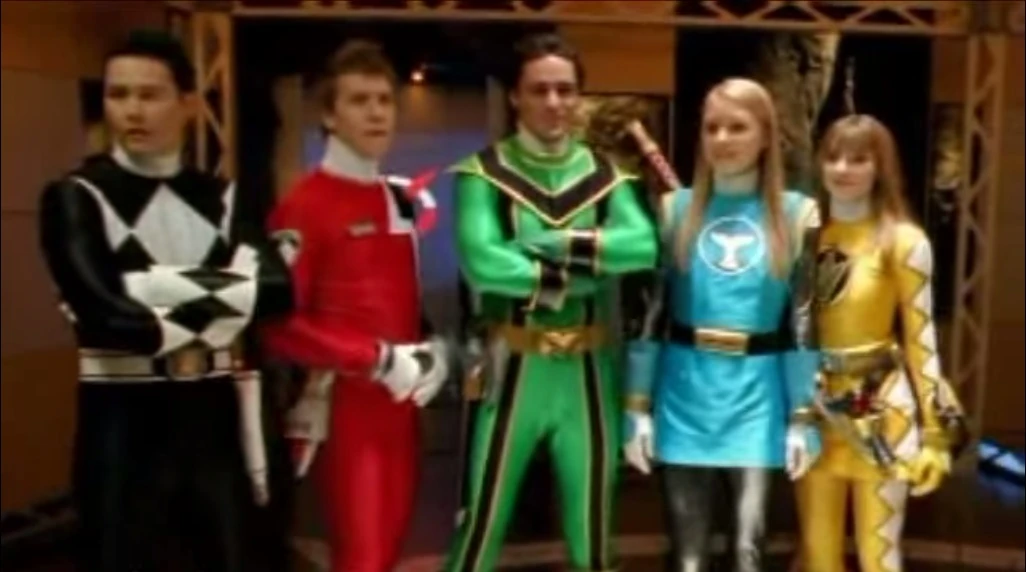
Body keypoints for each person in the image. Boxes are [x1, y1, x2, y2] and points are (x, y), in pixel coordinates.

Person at [37, 30, 294, 571]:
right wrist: (226, 295)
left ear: (189, 104)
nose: (132, 110)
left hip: (214, 419)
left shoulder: (224, 197)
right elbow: (108, 318)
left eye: (149, 94)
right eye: (118, 94)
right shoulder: (77, 196)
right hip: (122, 422)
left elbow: (277, 293)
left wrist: (146, 289)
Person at [443, 32, 659, 572]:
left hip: (588, 369)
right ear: (516, 96)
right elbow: (483, 261)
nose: (555, 102)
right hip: (512, 366)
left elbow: (642, 246)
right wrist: (581, 275)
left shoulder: (606, 176)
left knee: (593, 530)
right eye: (540, 90)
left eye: (566, 90)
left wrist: (554, 243)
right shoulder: (482, 173)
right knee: (484, 522)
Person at [259, 40, 449, 572]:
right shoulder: (303, 205)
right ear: (329, 115)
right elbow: (277, 323)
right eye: (359, 100)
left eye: (384, 100)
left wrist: (431, 350)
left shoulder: (396, 198)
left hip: (401, 409)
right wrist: (375, 358)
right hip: (343, 407)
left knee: (386, 555)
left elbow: (399, 300)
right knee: (361, 559)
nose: (376, 112)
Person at [623, 77, 821, 572]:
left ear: (765, 136)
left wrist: (802, 417)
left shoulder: (797, 215)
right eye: (712, 127)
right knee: (687, 558)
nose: (723, 139)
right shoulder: (675, 209)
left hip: (758, 398)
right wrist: (637, 407)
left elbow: (803, 321)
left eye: (737, 127)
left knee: (747, 554)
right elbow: (651, 313)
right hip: (684, 393)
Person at [795, 114, 967, 572]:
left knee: (879, 556)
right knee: (817, 555)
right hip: (814, 410)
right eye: (833, 157)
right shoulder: (804, 238)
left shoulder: (905, 242)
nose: (843, 169)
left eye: (858, 159)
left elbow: (922, 339)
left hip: (882, 416)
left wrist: (935, 434)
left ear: (881, 166)